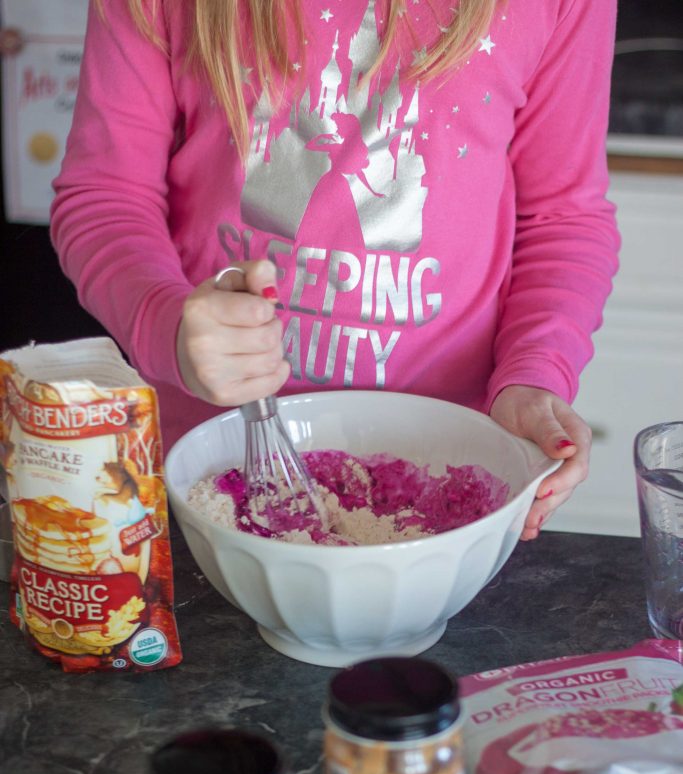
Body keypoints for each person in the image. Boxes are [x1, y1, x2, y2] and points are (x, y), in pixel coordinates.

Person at [50, 0, 620, 541]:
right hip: (206, 467)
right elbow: (105, 196)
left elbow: (561, 217)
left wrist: (534, 373)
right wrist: (165, 325)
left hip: (450, 467)